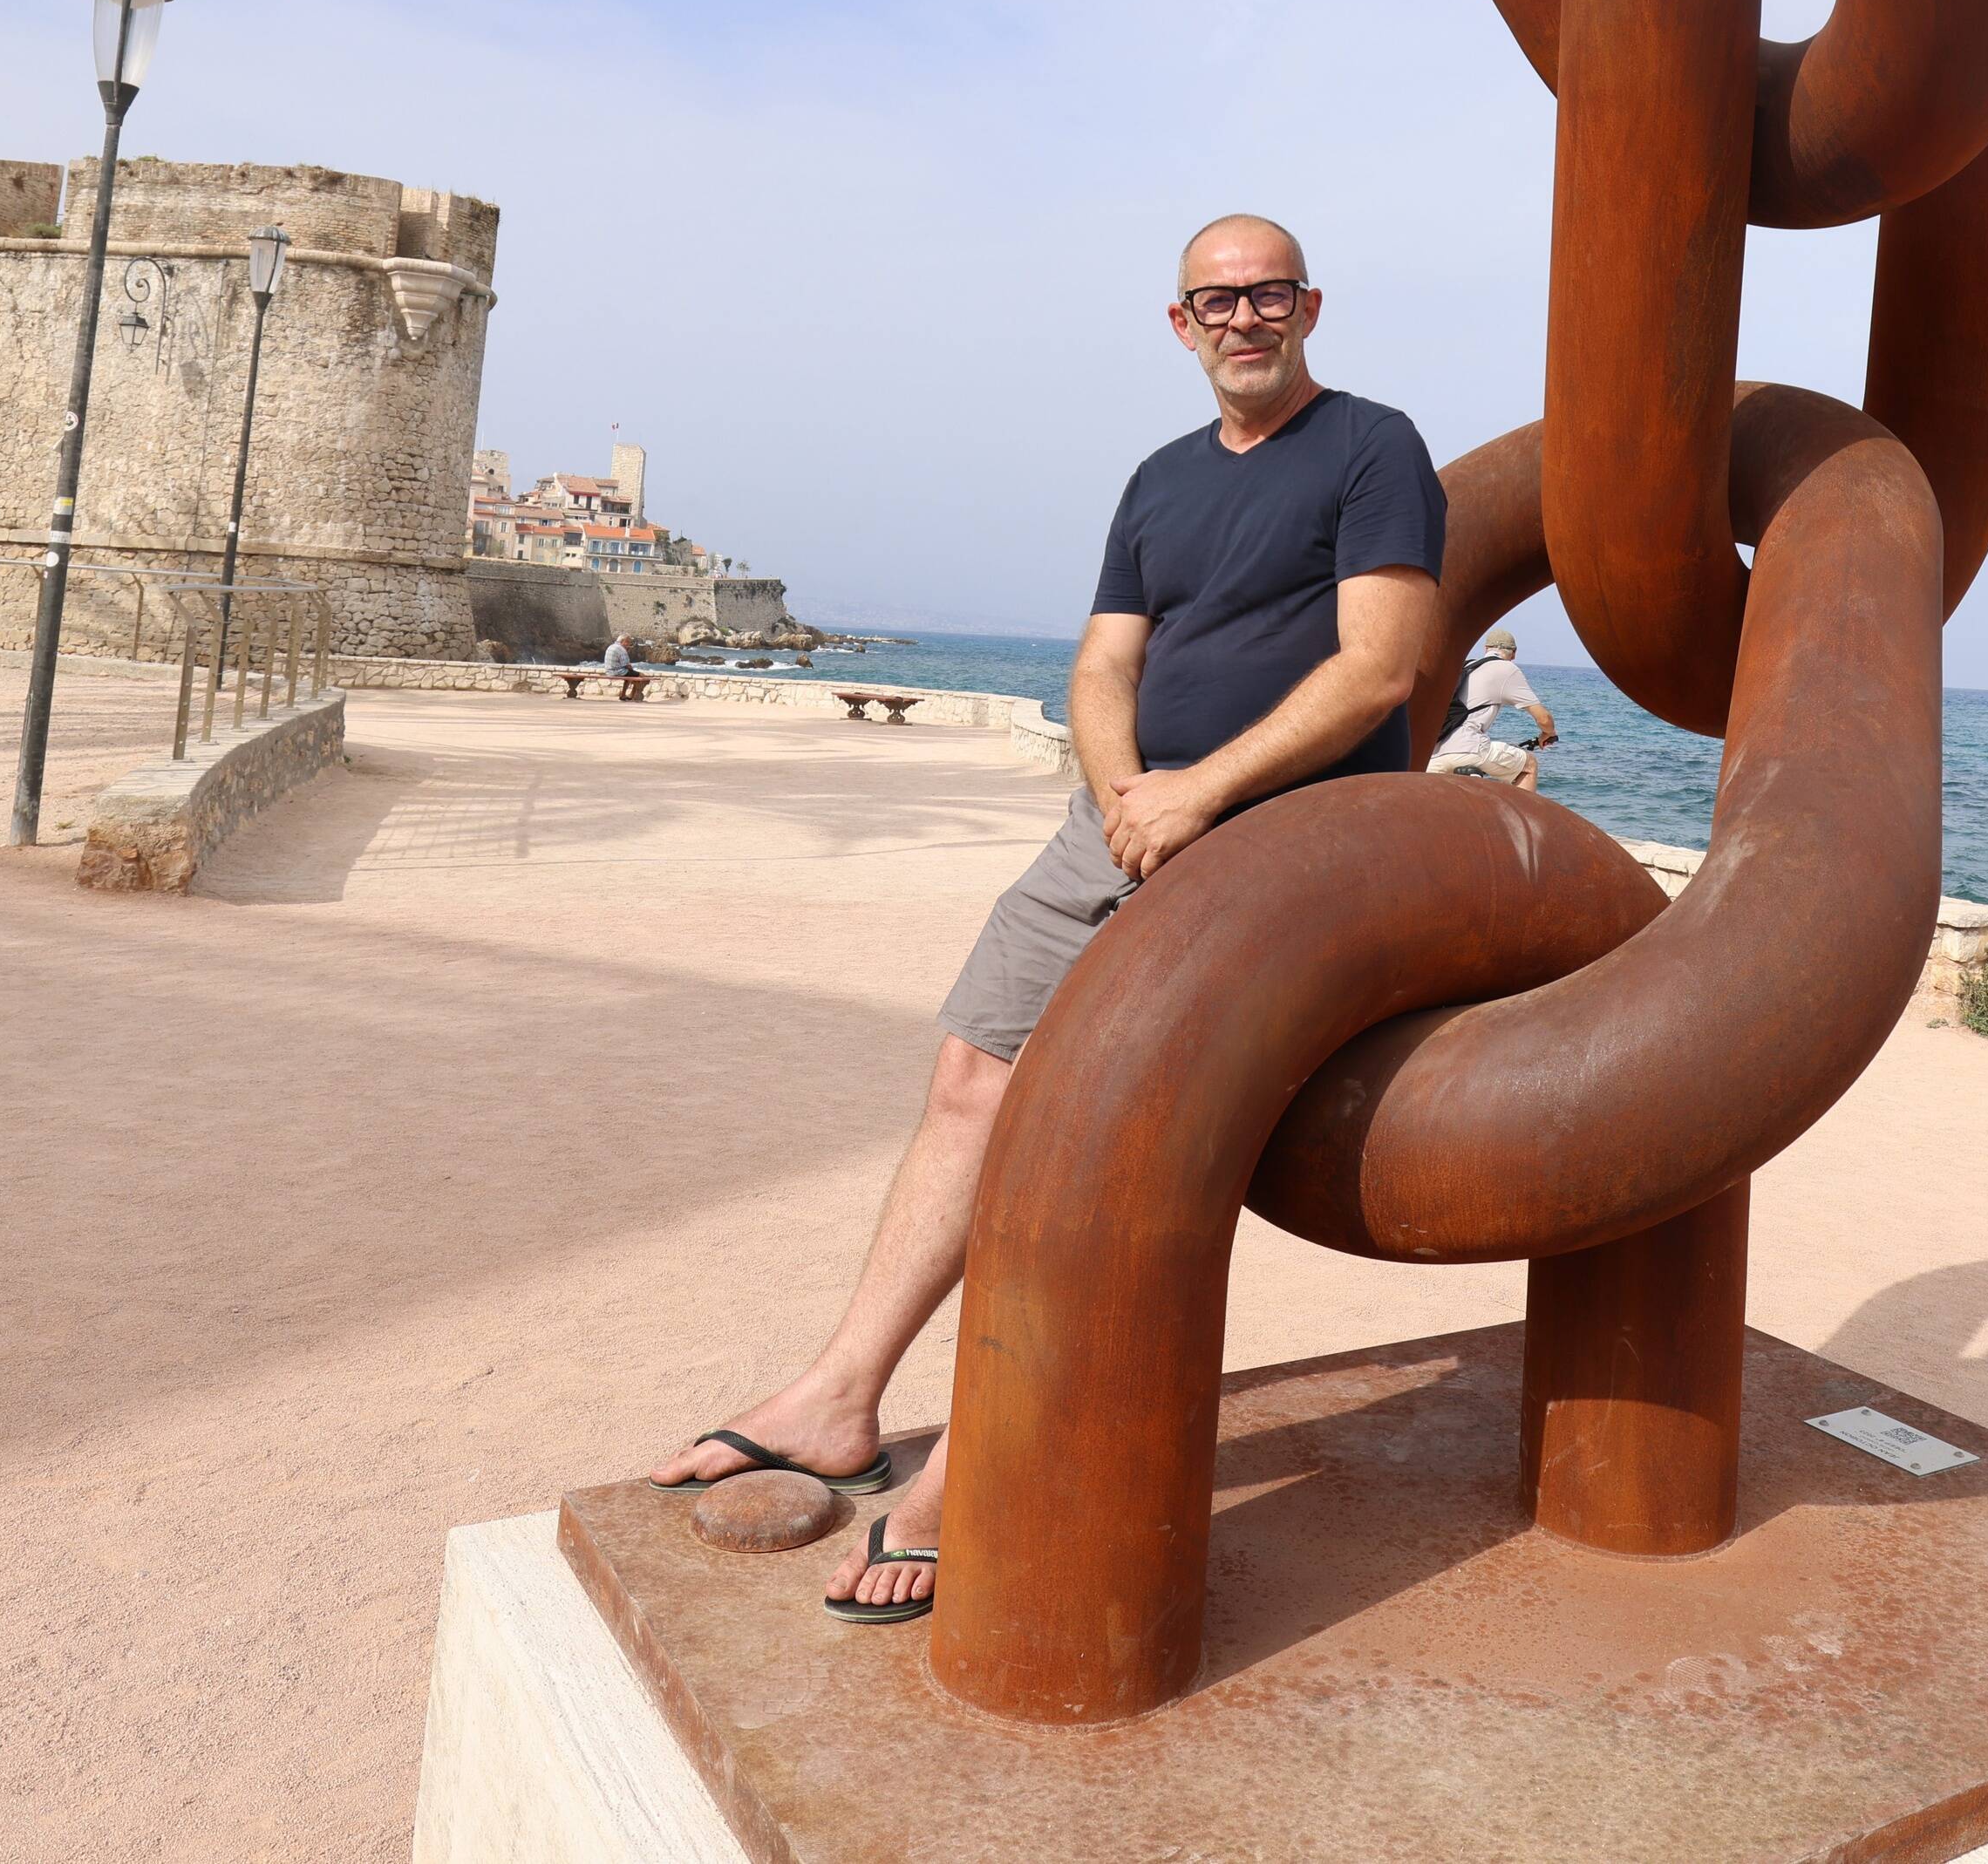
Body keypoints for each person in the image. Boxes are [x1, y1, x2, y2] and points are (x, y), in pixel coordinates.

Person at [643, 212, 1442, 1624]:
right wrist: (1128, 793)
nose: (1243, 318)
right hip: (1127, 816)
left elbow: (1382, 666)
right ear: (1179, 323)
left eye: (1267, 294)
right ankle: (838, 1396)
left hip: (1285, 838)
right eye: (1215, 300)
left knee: (1102, 1125)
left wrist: (1203, 792)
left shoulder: (1374, 448)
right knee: (970, 1077)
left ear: (1310, 307)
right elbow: (1103, 663)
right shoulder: (1159, 478)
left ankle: (982, 1453)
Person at [1427, 625, 1557, 788]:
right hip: (1469, 749)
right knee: (1529, 765)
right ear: (1514, 653)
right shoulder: (1507, 669)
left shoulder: (1467, 666)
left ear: (1486, 649)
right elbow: (1544, 718)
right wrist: (1548, 733)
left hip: (1433, 756)